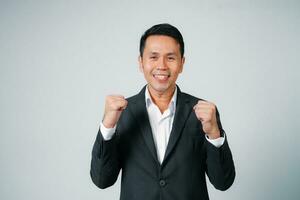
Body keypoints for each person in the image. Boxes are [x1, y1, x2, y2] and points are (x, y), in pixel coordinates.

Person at [90, 23, 235, 200]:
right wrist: (107, 127)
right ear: (141, 62)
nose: (162, 65)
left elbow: (223, 182)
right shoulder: (121, 112)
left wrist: (214, 134)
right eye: (153, 57)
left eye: (171, 58)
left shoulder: (204, 112)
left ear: (182, 63)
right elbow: (101, 180)